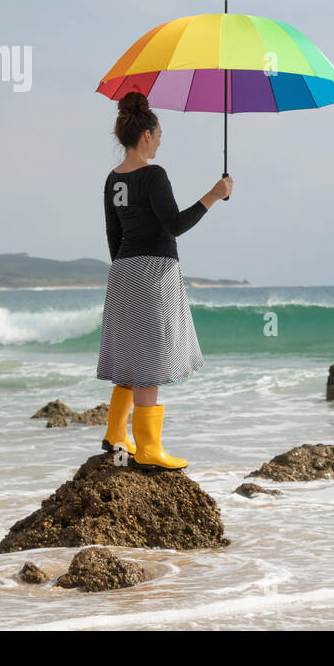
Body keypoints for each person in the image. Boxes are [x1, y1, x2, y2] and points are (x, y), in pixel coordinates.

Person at [95, 90, 233, 469]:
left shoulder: (113, 179)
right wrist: (214, 194)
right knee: (150, 359)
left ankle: (115, 434)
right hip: (154, 271)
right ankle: (150, 450)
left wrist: (127, 273)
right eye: (158, 136)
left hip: (122, 271)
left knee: (130, 355)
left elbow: (113, 237)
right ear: (146, 135)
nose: (159, 142)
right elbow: (175, 224)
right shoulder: (153, 175)